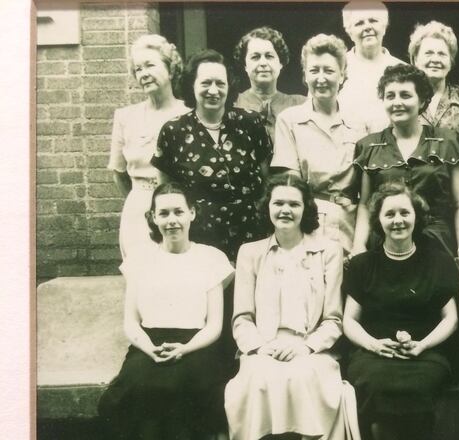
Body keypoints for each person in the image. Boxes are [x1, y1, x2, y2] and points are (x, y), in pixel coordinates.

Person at [97, 182, 234, 440]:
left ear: (192, 213)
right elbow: (131, 322)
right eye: (164, 213)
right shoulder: (138, 259)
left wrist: (184, 348)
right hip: (149, 345)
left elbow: (214, 325)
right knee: (135, 389)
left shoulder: (212, 258)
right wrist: (150, 349)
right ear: (152, 218)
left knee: (179, 389)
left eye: (178, 212)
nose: (172, 220)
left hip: (197, 346)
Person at [224, 174, 352, 440]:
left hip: (311, 348)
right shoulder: (250, 252)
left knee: (302, 377)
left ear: (305, 209)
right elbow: (242, 318)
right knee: (259, 378)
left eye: (294, 204)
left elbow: (333, 319)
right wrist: (262, 346)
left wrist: (304, 346)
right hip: (263, 348)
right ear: (267, 207)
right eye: (278, 203)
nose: (285, 210)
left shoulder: (329, 251)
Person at [343, 182, 459, 440]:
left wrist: (423, 345)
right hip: (373, 355)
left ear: (416, 217)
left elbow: (450, 318)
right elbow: (349, 320)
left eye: (405, 213)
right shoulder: (363, 265)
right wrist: (373, 345)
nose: (398, 220)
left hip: (425, 355)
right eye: (390, 214)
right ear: (378, 220)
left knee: (419, 387)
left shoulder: (438, 261)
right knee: (376, 385)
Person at [152, 49, 272, 262]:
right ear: (192, 85)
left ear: (229, 85)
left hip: (252, 237)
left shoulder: (251, 123)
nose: (213, 90)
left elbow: (268, 181)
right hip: (199, 241)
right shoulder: (174, 131)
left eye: (220, 83)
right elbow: (165, 192)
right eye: (206, 83)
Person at [352, 64, 459, 257]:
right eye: (390, 96)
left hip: (437, 243)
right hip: (385, 242)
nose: (397, 102)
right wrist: (359, 245)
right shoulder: (369, 146)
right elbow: (365, 204)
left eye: (405, 95)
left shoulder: (448, 141)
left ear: (422, 100)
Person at [272, 34, 368, 253]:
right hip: (305, 221)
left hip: (347, 224)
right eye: (314, 70)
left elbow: (365, 188)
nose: (321, 78)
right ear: (305, 76)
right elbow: (291, 184)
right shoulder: (289, 120)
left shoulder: (358, 124)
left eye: (329, 70)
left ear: (343, 75)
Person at [108, 34, 189, 258]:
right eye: (138, 69)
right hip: (139, 209)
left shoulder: (189, 114)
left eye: (150, 65)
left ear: (171, 69)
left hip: (179, 209)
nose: (143, 74)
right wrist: (142, 199)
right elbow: (119, 173)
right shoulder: (125, 117)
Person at [409, 20, 459, 156]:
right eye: (428, 53)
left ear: (451, 61)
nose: (435, 59)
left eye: (442, 54)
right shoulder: (405, 98)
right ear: (415, 59)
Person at [337, 1, 405, 132]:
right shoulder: (334, 68)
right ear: (349, 32)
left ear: (384, 27)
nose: (367, 27)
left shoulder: (403, 69)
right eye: (359, 23)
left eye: (373, 20)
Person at [233, 26, 306, 138]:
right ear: (245, 65)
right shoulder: (233, 104)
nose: (263, 62)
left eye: (269, 56)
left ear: (280, 63)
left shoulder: (300, 104)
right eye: (255, 57)